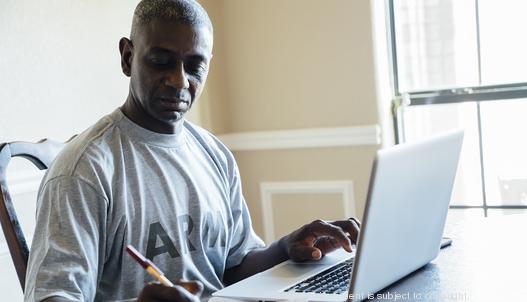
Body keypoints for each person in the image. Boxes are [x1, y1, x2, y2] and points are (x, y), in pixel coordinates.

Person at [24, 0, 361, 301]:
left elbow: (233, 266)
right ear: (128, 57)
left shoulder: (214, 153)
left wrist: (286, 248)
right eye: (161, 61)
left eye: (195, 65)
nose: (180, 81)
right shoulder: (84, 171)